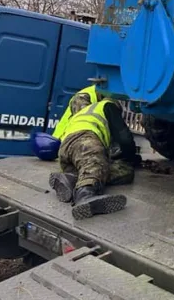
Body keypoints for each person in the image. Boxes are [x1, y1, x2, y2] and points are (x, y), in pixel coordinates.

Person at [48, 86, 141, 220]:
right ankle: (85, 194)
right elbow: (125, 139)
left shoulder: (88, 109)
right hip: (85, 140)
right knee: (95, 164)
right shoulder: (109, 106)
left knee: (123, 171)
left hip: (65, 148)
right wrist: (131, 156)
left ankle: (70, 179)